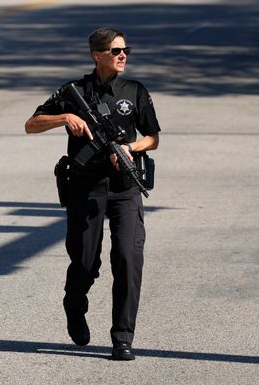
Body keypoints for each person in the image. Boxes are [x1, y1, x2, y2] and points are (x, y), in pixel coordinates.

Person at [24, 27, 161, 361]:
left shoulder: (134, 90)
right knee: (86, 263)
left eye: (125, 50)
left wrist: (130, 147)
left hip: (125, 188)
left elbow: (153, 137)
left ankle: (122, 338)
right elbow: (31, 123)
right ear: (97, 55)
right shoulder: (75, 91)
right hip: (85, 187)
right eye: (116, 51)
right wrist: (65, 117)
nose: (123, 55)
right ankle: (75, 305)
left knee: (128, 259)